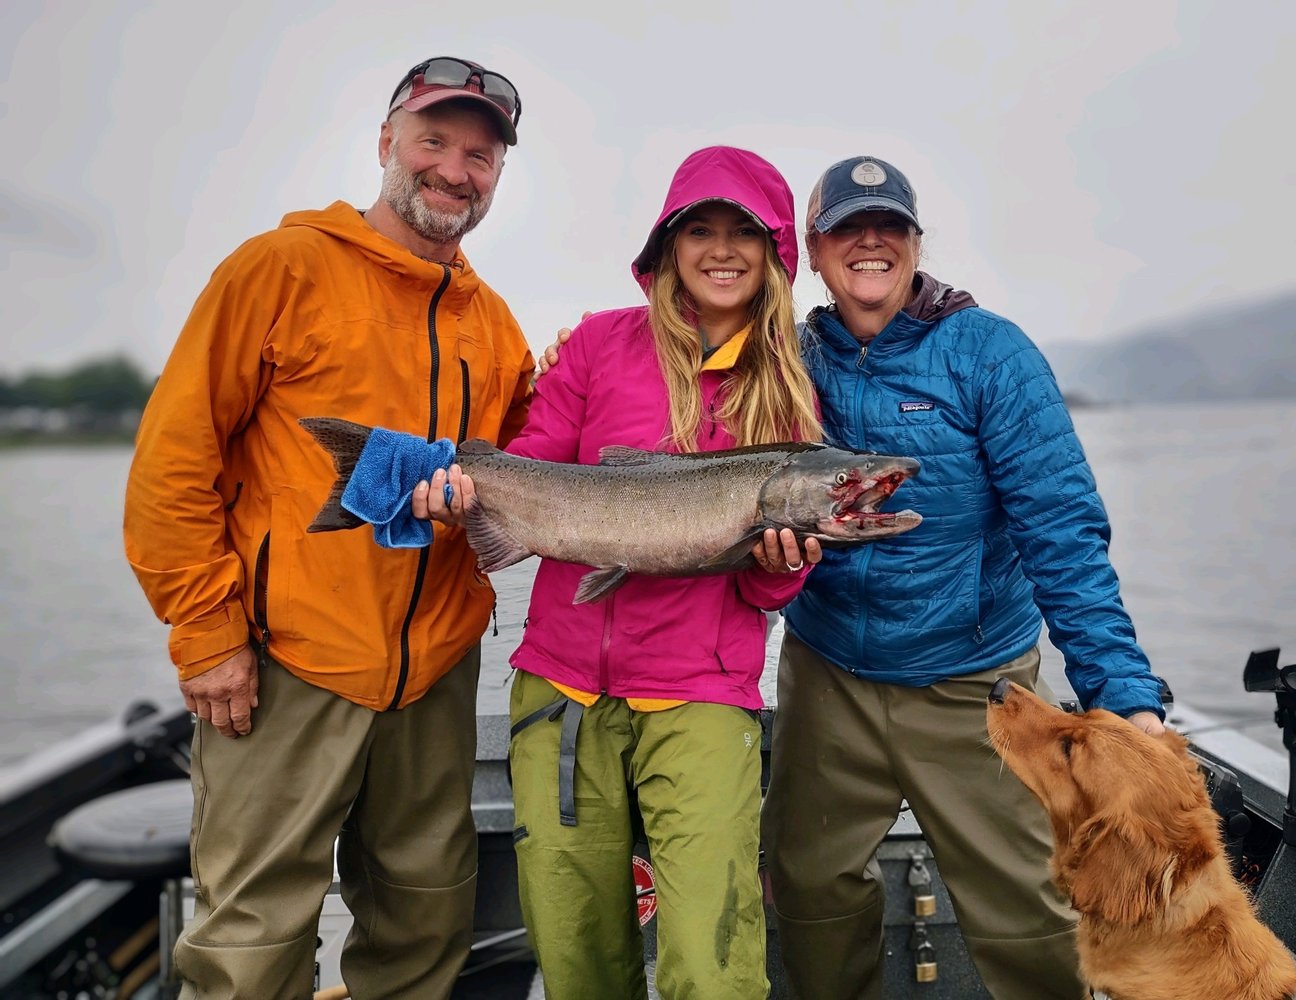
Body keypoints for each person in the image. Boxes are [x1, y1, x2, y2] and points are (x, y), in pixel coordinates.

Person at [122, 57, 534, 999]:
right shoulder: (278, 269)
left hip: (434, 676)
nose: (455, 170)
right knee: (251, 949)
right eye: (435, 141)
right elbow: (171, 464)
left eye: (481, 154)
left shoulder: (498, 327)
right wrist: (206, 631)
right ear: (387, 142)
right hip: (282, 668)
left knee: (423, 932)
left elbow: (532, 475)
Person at [758, 156, 1168, 1000]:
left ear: (914, 244)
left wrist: (1120, 691)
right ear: (815, 248)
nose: (870, 240)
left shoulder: (991, 355)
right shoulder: (789, 360)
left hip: (974, 681)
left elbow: (1063, 533)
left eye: (890, 226)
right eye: (847, 226)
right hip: (828, 673)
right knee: (807, 893)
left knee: (1027, 911)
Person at [421, 145, 822, 999]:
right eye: (700, 230)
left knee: (714, 970)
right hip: (560, 690)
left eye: (743, 233)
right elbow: (530, 461)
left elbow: (760, 590)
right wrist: (469, 496)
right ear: (667, 246)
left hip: (703, 696)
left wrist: (783, 569)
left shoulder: (788, 396)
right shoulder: (600, 342)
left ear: (774, 253)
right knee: (576, 959)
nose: (721, 250)